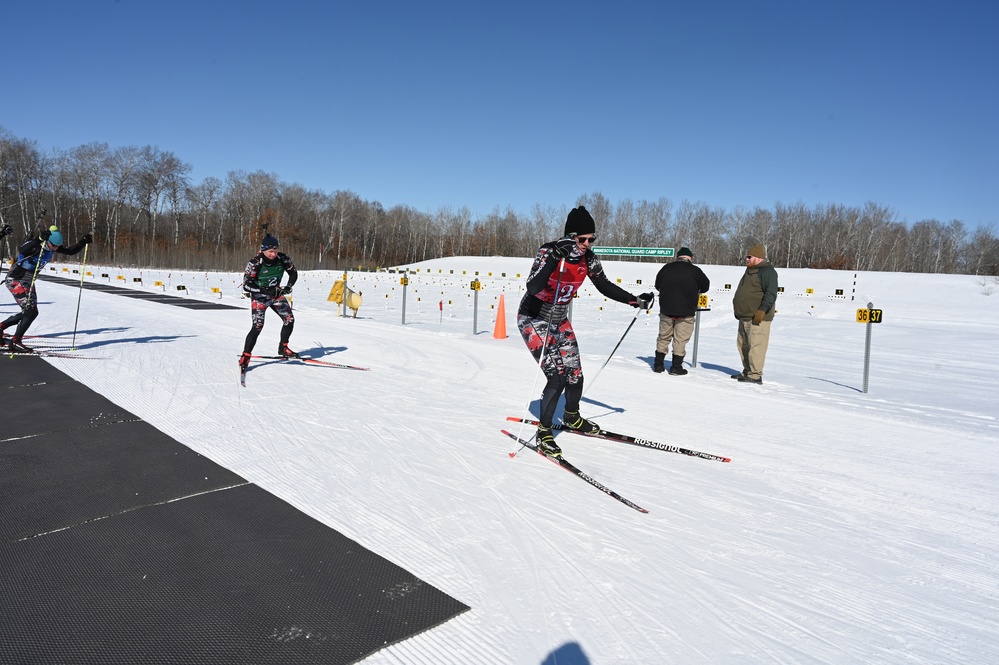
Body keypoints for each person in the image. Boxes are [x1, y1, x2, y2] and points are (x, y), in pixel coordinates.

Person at [517, 206, 654, 457]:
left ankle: (572, 416)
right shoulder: (549, 251)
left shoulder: (588, 258)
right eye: (583, 239)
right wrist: (554, 259)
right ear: (571, 236)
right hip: (534, 319)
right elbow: (533, 285)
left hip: (560, 320)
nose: (587, 243)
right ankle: (544, 433)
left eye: (592, 239)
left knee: (575, 373)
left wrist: (634, 300)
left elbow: (603, 285)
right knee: (556, 377)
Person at [1, 227, 92, 351]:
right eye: (53, 245)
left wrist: (83, 242)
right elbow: (22, 249)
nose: (55, 248)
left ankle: (2, 327)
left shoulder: (51, 246)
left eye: (56, 246)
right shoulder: (37, 245)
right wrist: (38, 239)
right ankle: (16, 341)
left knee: (30, 312)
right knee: (30, 312)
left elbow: (70, 251)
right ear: (47, 241)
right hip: (16, 279)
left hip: (27, 281)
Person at [239, 234, 299, 369]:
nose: (273, 254)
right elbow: (246, 285)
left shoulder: (283, 259)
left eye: (275, 250)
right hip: (260, 297)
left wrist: (288, 287)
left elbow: (293, 273)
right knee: (257, 326)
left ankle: (283, 347)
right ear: (263, 250)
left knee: (289, 320)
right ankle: (246, 355)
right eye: (270, 251)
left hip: (276, 295)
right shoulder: (255, 263)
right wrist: (264, 291)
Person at [653, 246, 710, 375]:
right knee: (680, 339)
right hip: (686, 312)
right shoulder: (695, 270)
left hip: (666, 309)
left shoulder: (666, 268)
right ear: (690, 258)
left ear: (678, 257)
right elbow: (705, 286)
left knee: (663, 337)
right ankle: (676, 367)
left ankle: (658, 365)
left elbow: (657, 285)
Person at [732, 243, 778, 384]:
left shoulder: (767, 272)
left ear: (758, 257)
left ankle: (755, 374)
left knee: (756, 346)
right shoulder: (750, 271)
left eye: (749, 256)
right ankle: (748, 371)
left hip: (758, 318)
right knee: (743, 345)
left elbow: (771, 294)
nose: (746, 259)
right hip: (745, 316)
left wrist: (762, 310)